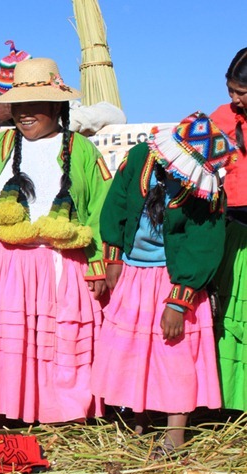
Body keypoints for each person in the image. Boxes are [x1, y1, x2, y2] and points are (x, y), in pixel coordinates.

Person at [0, 57, 112, 425]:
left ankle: (60, 411)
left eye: (33, 105)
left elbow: (102, 210)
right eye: (18, 106)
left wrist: (99, 263)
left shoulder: (82, 151)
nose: (24, 114)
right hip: (3, 265)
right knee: (6, 342)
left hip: (61, 263)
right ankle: (2, 408)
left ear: (56, 106)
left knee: (57, 339)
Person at [91, 112, 233, 453]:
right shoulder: (141, 157)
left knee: (173, 354)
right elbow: (117, 205)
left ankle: (175, 433)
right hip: (133, 272)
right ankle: (138, 418)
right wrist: (112, 257)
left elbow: (203, 247)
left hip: (172, 279)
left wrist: (178, 301)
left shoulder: (206, 191)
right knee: (133, 350)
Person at [211, 47, 247, 411]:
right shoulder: (221, 118)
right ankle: (232, 402)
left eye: (242, 93)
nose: (234, 100)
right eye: (231, 90)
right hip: (234, 229)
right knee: (233, 317)